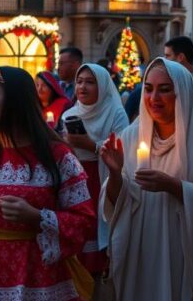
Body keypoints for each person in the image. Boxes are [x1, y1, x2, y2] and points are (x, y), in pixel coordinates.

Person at [0, 66, 96, 300]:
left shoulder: (58, 157)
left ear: (15, 100)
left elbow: (84, 221)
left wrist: (37, 217)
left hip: (37, 277)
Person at [100, 58, 193, 300]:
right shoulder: (131, 136)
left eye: (165, 89)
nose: (154, 98)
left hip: (183, 246)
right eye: (149, 89)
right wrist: (114, 173)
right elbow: (116, 201)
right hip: (142, 245)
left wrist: (174, 187)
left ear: (180, 93)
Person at [60, 63, 129, 276]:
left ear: (102, 85)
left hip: (103, 181)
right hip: (75, 180)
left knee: (98, 231)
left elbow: (122, 151)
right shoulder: (69, 114)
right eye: (79, 82)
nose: (82, 87)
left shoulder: (115, 113)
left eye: (90, 82)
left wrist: (90, 145)